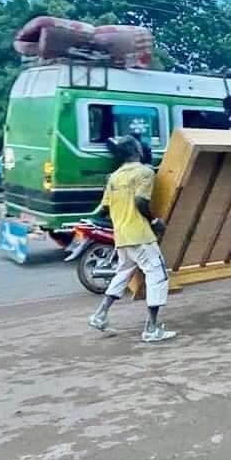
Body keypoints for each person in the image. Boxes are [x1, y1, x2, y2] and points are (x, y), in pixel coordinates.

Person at [88, 135, 175, 343]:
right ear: (136, 150)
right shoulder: (144, 172)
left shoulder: (114, 177)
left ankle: (100, 315)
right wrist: (155, 222)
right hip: (140, 235)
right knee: (158, 276)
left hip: (122, 236)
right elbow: (140, 201)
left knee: (122, 274)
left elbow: (104, 209)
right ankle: (152, 329)